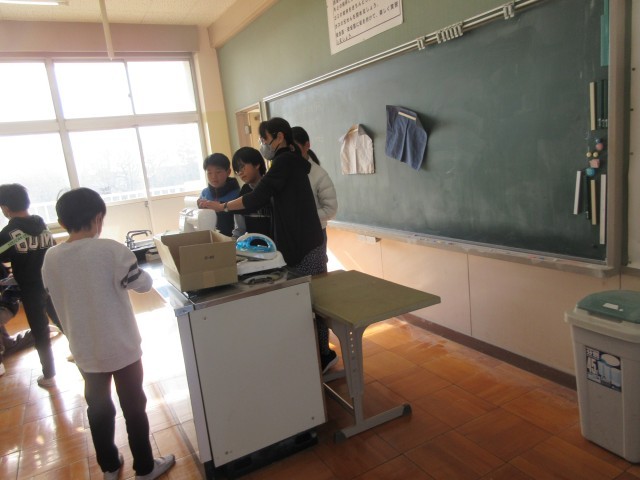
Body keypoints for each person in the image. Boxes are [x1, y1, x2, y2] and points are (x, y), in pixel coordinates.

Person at [42, 188, 175, 480]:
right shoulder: (112, 251)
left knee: (99, 409)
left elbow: (52, 294)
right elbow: (142, 285)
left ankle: (110, 467)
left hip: (85, 349)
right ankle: (145, 468)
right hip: (122, 347)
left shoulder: (51, 257)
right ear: (98, 217)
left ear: (62, 223)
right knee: (134, 406)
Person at [209, 117, 338, 373]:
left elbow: (256, 197)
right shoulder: (289, 162)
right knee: (305, 303)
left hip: (305, 245)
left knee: (312, 303)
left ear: (279, 137)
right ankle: (313, 356)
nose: (263, 144)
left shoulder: (285, 161)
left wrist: (222, 206)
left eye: (264, 139)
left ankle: (323, 356)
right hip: (298, 243)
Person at [0, 184, 57, 385]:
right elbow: (51, 248)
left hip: (30, 288)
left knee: (40, 331)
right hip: (51, 283)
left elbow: (3, 254)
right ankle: (80, 354)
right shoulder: (41, 224)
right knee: (62, 320)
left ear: (5, 208)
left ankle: (49, 375)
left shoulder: (8, 233)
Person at [292, 126, 338, 265]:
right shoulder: (283, 172)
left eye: (295, 147)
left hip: (314, 235)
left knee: (315, 275)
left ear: (307, 145)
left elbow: (330, 210)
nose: (292, 152)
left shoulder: (319, 174)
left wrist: (303, 217)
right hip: (291, 236)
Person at [231, 146, 273, 239]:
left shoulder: (271, 187)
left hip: (276, 244)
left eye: (242, 167)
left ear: (257, 164)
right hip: (253, 246)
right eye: (237, 170)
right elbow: (239, 230)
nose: (240, 173)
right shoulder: (243, 192)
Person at [196, 153, 240, 237]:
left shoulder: (237, 194)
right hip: (210, 236)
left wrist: (221, 207)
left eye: (218, 172)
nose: (214, 177)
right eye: (209, 173)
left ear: (228, 172)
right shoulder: (204, 193)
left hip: (232, 238)